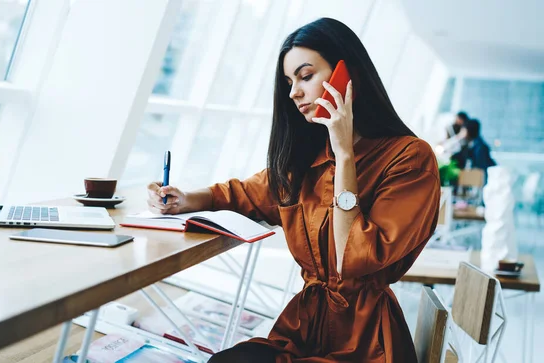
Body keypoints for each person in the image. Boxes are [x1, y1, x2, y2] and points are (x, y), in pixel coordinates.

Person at [147, 17, 440, 363]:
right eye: (289, 81)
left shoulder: (410, 158)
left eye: (305, 76)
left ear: (347, 75)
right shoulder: (309, 158)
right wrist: (185, 199)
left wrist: (345, 154)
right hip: (303, 333)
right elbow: (245, 193)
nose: (294, 92)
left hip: (364, 348)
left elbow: (353, 257)